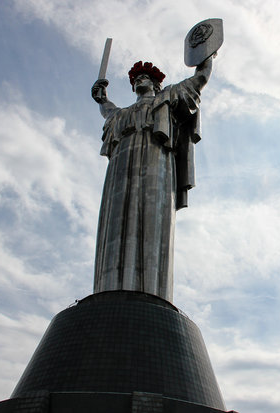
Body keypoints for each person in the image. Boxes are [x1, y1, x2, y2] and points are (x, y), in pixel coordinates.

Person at [91, 56, 213, 302]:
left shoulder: (167, 97)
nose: (139, 81)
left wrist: (206, 53)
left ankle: (151, 292)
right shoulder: (122, 115)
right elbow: (108, 112)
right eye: (136, 80)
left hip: (155, 164)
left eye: (144, 77)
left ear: (156, 84)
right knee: (117, 221)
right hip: (121, 171)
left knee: (150, 218)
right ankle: (111, 289)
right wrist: (102, 98)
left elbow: (199, 80)